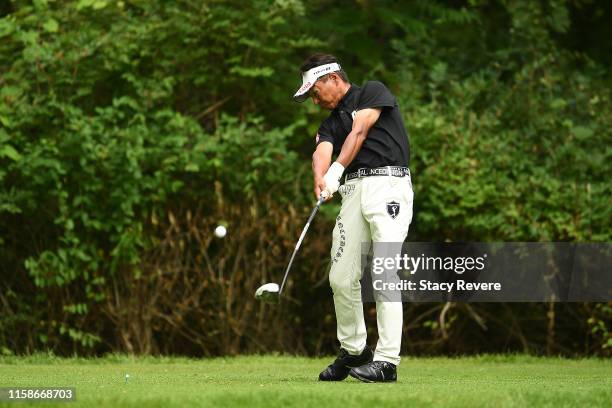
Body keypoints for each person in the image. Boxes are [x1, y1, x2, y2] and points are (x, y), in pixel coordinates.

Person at [293, 53, 414, 383]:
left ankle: (387, 361)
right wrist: (321, 177)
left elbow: (359, 132)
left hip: (388, 186)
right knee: (341, 277)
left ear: (333, 78)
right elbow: (322, 150)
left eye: (315, 91)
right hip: (352, 193)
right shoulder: (330, 121)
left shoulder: (372, 92)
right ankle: (356, 350)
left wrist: (336, 171)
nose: (314, 100)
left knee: (384, 272)